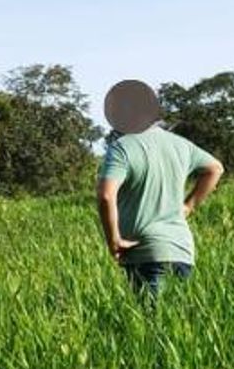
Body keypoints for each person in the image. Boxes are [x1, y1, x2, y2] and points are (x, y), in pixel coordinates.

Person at [95, 80, 224, 296]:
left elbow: (106, 195)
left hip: (145, 253)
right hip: (182, 250)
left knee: (152, 326)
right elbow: (215, 168)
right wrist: (189, 205)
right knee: (179, 323)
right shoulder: (180, 144)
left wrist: (114, 239)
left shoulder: (121, 148)